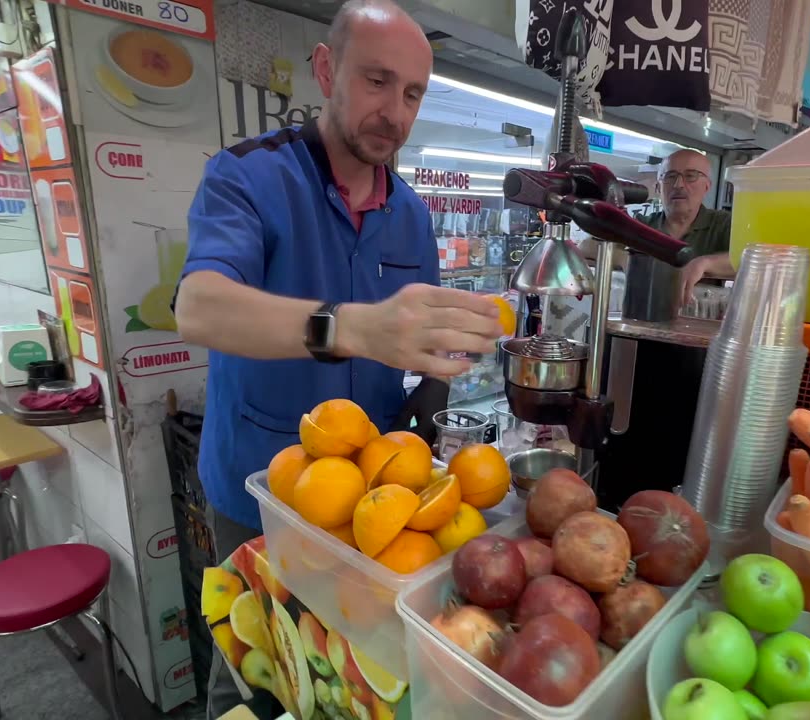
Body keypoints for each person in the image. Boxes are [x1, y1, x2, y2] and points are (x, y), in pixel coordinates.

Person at [176, 1, 502, 715]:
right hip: (259, 490)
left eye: (412, 93)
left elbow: (414, 342)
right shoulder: (247, 177)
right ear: (327, 70)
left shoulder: (411, 213)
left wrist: (433, 393)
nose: (394, 111)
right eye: (377, 81)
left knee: (344, 680)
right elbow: (198, 305)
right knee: (256, 668)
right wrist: (348, 327)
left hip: (370, 504)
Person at [580, 149, 733, 307]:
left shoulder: (723, 224)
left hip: (699, 323)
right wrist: (625, 258)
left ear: (707, 186)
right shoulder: (641, 225)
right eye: (670, 176)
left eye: (690, 176)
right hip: (644, 317)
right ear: (658, 187)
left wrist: (704, 263)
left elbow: (751, 260)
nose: (678, 184)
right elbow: (586, 246)